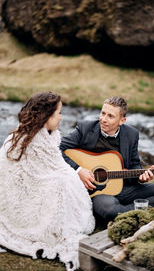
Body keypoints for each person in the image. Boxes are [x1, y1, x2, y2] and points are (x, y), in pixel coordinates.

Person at [0, 92, 95, 271]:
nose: (61, 117)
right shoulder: (26, 140)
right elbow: (25, 177)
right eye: (58, 112)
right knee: (59, 185)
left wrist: (73, 175)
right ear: (46, 116)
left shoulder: (50, 136)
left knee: (66, 180)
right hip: (19, 199)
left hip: (37, 184)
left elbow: (56, 165)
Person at [60, 96, 154, 223]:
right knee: (109, 208)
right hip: (96, 192)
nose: (103, 119)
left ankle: (124, 212)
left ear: (122, 120)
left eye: (110, 116)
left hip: (124, 189)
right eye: (103, 113)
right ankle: (133, 211)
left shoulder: (132, 135)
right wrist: (79, 170)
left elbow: (134, 165)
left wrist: (141, 176)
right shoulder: (85, 128)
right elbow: (56, 148)